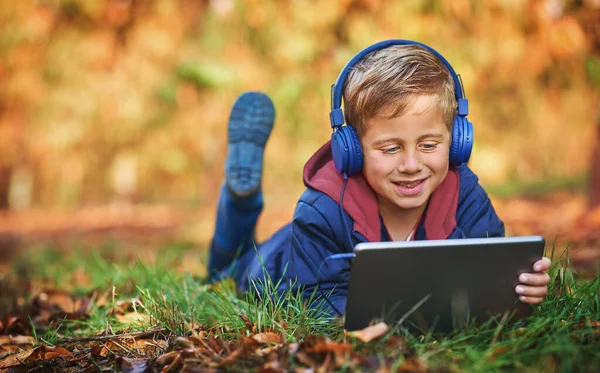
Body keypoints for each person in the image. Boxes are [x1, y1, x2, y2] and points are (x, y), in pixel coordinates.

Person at [207, 40, 551, 316]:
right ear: (351, 150)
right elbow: (311, 297)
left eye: (429, 144)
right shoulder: (321, 210)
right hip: (277, 265)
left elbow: (489, 277)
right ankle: (242, 199)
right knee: (225, 273)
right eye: (390, 148)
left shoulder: (467, 199)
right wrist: (369, 321)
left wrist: (521, 287)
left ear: (458, 141)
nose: (412, 164)